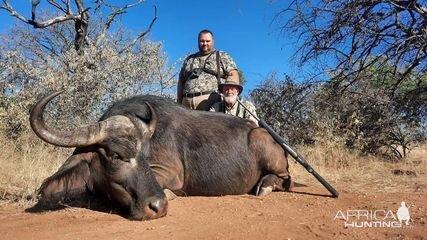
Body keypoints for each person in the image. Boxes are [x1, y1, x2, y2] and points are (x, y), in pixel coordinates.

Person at [177, 29, 240, 110]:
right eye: (202, 41)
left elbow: (233, 74)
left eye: (208, 41)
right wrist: (179, 101)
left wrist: (231, 99)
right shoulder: (189, 59)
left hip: (211, 102)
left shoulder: (222, 56)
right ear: (198, 42)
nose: (205, 44)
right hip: (186, 103)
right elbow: (181, 81)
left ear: (213, 41)